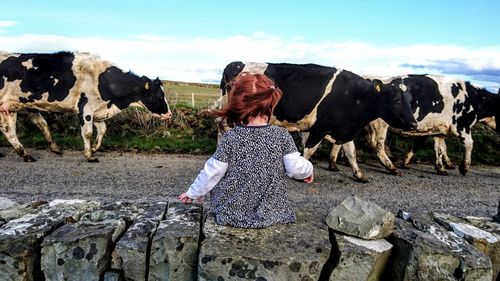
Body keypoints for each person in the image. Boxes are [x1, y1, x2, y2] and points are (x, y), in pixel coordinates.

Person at [178, 72, 313, 228]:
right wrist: (308, 170)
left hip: (231, 213)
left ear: (238, 105)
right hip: (271, 213)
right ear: (270, 104)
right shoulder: (282, 136)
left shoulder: (231, 138)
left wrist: (193, 193)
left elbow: (212, 172)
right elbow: (295, 168)